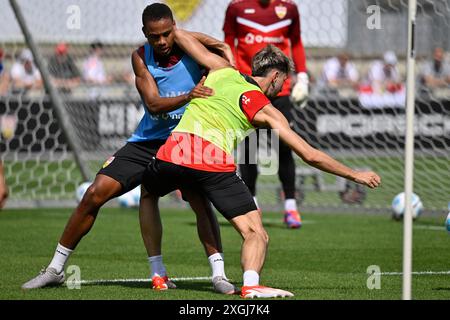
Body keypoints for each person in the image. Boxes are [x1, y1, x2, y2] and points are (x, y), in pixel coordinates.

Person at [142, 31, 381, 298]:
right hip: (211, 161)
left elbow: (178, 34)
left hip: (173, 151)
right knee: (256, 233)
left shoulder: (222, 68)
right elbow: (309, 154)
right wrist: (355, 174)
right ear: (276, 76)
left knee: (149, 193)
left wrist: (219, 44)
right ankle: (252, 284)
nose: (282, 88)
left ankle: (157, 271)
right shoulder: (265, 107)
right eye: (284, 82)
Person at [22, 3, 237, 294]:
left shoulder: (193, 51)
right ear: (144, 34)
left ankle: (219, 275)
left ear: (175, 29)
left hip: (186, 140)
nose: (161, 42)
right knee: (94, 193)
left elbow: (224, 53)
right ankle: (55, 269)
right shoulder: (140, 57)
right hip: (147, 142)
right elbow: (153, 104)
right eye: (154, 36)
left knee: (199, 199)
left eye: (166, 34)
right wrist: (190, 95)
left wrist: (205, 41)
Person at [223, 0, 309, 228]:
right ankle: (252, 204)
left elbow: (296, 42)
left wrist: (303, 77)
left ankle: (291, 207)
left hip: (280, 89)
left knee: (284, 146)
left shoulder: (288, 8)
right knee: (248, 149)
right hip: (248, 87)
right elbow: (228, 44)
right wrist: (230, 76)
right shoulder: (236, 7)